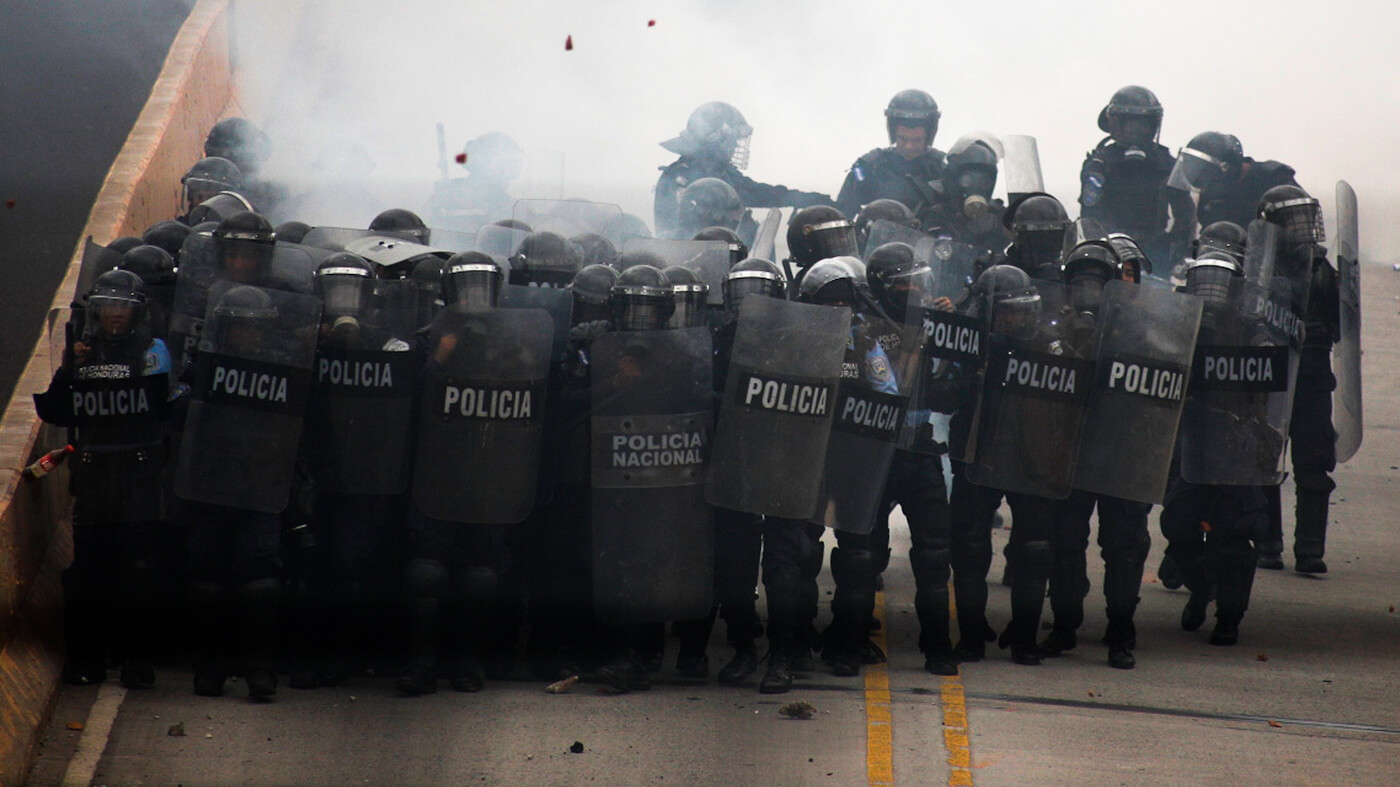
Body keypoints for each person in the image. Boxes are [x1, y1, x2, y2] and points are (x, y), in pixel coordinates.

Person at [35, 271, 173, 688]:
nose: (116, 314)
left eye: (125, 306)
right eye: (109, 306)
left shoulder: (153, 350)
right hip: (94, 474)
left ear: (138, 311)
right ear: (96, 311)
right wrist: (68, 370)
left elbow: (160, 403)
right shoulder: (81, 352)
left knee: (139, 571)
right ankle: (87, 659)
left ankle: (135, 659)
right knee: (88, 574)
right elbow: (56, 412)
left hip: (138, 471)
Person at [1254, 185, 1340, 574]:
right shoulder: (1256, 268)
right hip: (1269, 372)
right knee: (1263, 459)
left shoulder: (1323, 272)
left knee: (1314, 462)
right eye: (1293, 221)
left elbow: (1341, 329)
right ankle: (1267, 542)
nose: (1303, 229)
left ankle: (1309, 550)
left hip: (1312, 376)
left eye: (1307, 219)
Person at [654, 101, 831, 239]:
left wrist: (807, 199)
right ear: (715, 139)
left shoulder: (720, 172)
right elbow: (678, 234)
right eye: (732, 141)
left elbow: (758, 192)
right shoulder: (682, 178)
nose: (735, 146)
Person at [1079, 86, 1194, 270]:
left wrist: (1173, 249)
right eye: (1130, 122)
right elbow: (1091, 217)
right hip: (1111, 253)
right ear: (1116, 124)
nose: (1137, 129)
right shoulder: (1100, 164)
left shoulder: (1168, 164)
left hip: (1155, 256)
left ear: (1153, 125)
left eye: (1143, 123)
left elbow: (1185, 215)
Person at [836, 90, 946, 221]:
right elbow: (842, 216)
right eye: (903, 139)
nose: (909, 146)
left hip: (931, 240)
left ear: (929, 136)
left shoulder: (944, 170)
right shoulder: (868, 168)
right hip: (877, 240)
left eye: (917, 140)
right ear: (894, 133)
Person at [1167, 131, 1299, 229]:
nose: (1204, 188)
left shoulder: (1274, 179)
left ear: (1226, 170)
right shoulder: (1209, 191)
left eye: (1207, 176)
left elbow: (1303, 226)